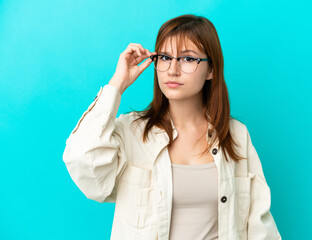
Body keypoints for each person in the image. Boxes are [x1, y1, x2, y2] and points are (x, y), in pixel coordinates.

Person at [62, 14, 281, 240]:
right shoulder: (131, 132)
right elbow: (82, 161)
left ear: (211, 70)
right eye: (165, 57)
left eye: (187, 59)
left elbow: (259, 226)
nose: (172, 69)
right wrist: (117, 83)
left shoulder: (235, 134)